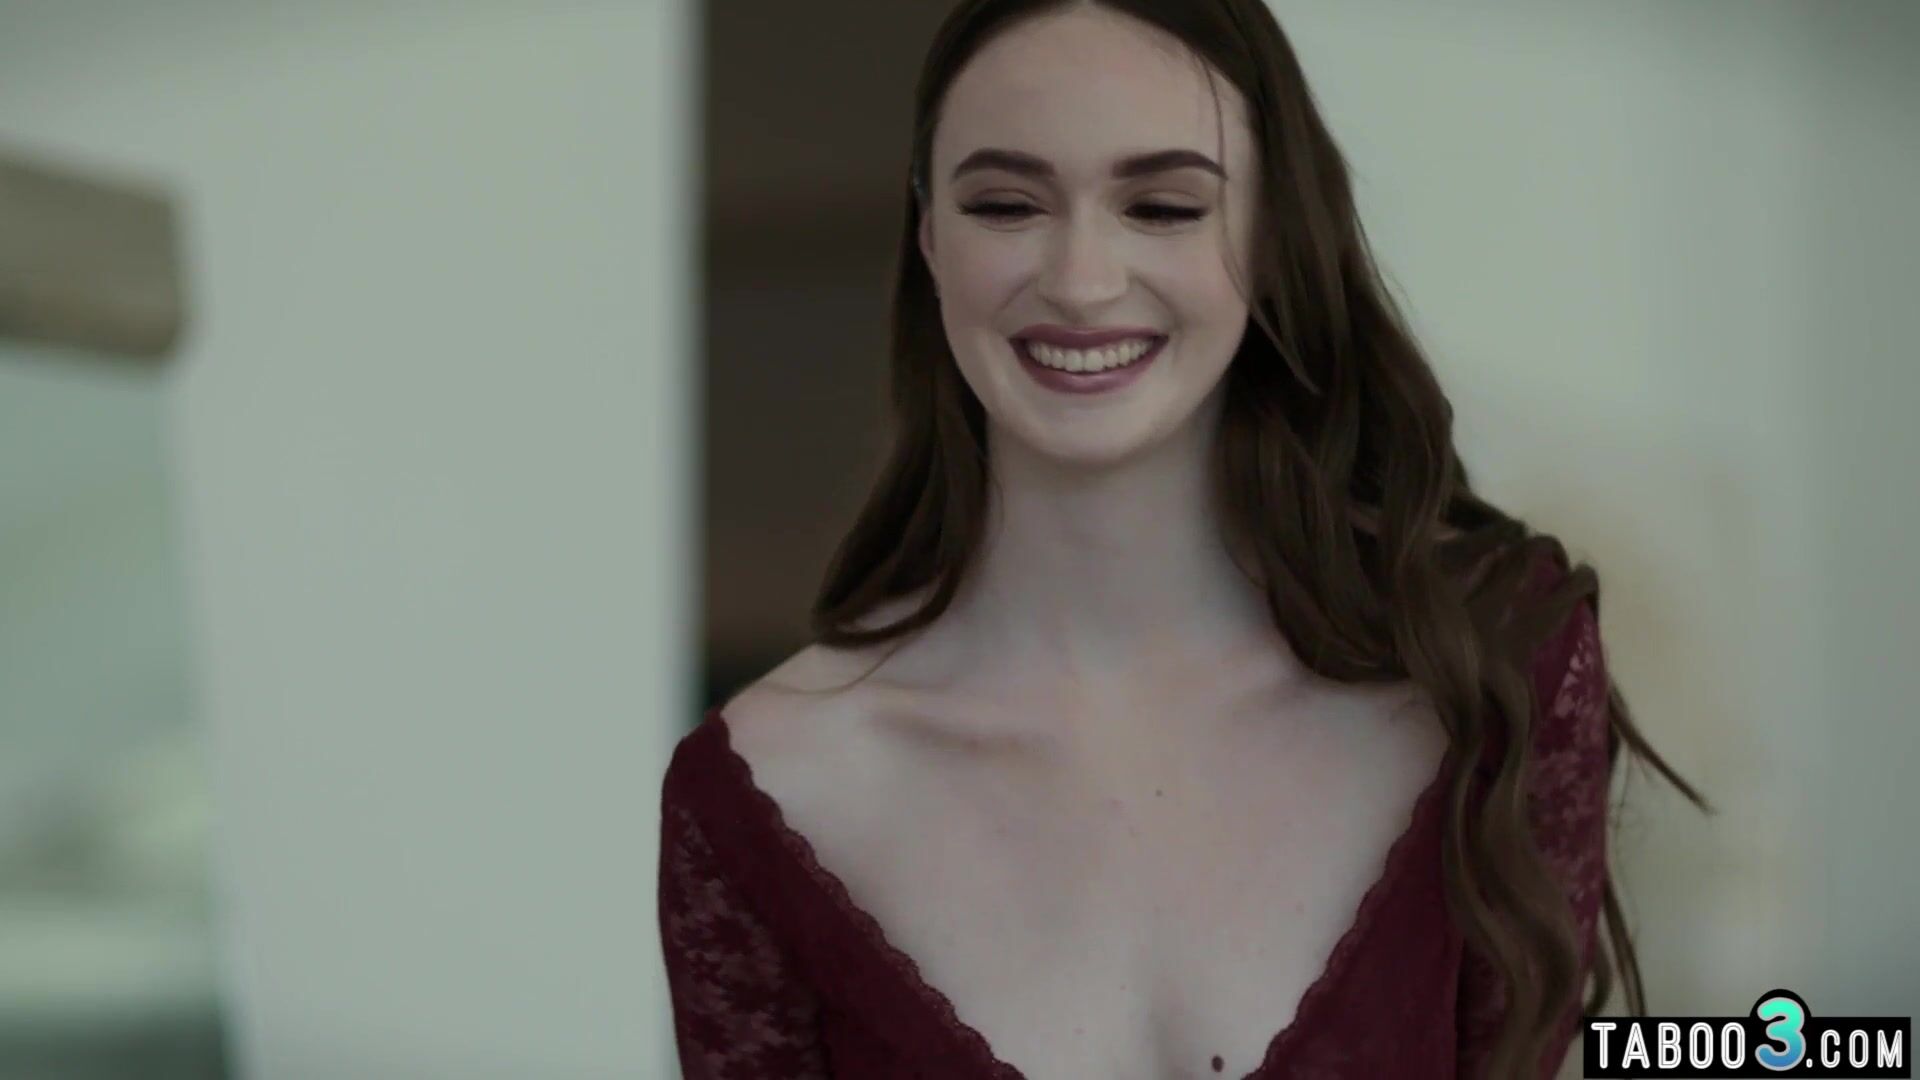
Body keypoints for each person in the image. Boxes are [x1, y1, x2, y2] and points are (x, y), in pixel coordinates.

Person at [658, 1, 1709, 1077]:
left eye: (1162, 206)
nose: (1081, 281)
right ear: (931, 237)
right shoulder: (770, 791)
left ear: (1271, 233)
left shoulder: (1494, 668)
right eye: (1006, 204)